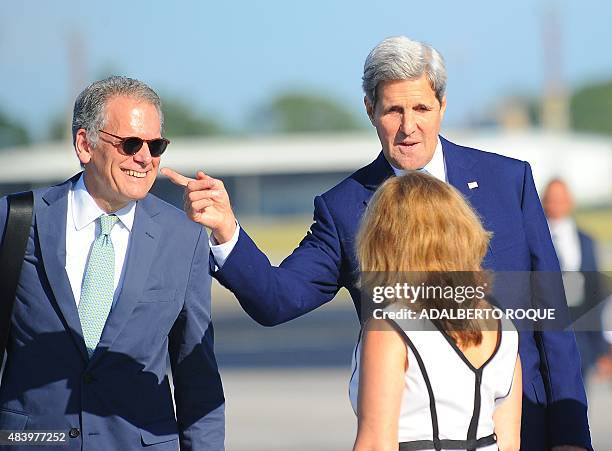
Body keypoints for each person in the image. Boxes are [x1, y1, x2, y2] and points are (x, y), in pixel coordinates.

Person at [163, 36, 590, 450]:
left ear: (442, 106)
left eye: (421, 107)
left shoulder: (507, 182)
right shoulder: (345, 208)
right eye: (393, 110)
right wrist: (225, 229)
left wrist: (571, 436)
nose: (409, 127)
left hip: (520, 428)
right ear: (370, 110)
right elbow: (277, 299)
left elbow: (551, 320)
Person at [0, 76, 224, 450]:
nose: (144, 157)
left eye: (156, 145)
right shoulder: (17, 219)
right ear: (85, 145)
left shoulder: (184, 236)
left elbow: (196, 376)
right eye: (131, 143)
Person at [352, 172, 521, 451]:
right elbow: (510, 442)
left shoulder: (390, 327)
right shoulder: (502, 324)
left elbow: (375, 444)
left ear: (385, 240)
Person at [542, 178, 608, 379]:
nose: (557, 204)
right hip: (542, 340)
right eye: (552, 199)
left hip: (580, 343)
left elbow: (596, 295)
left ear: (571, 202)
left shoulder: (586, 241)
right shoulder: (532, 238)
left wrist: (602, 347)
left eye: (561, 199)